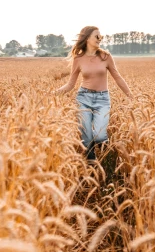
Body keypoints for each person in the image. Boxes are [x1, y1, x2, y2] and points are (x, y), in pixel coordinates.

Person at [55, 26, 133, 160]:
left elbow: (117, 77)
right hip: (83, 98)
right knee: (86, 138)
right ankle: (92, 168)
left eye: (101, 36)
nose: (100, 39)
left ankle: (106, 156)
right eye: (97, 36)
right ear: (87, 38)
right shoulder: (78, 58)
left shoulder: (105, 57)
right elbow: (70, 84)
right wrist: (53, 94)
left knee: (100, 135)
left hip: (102, 99)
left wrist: (131, 96)